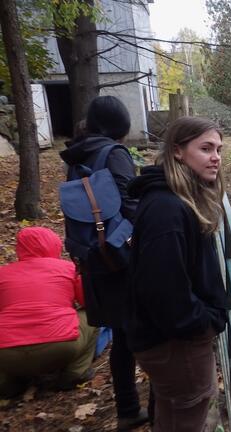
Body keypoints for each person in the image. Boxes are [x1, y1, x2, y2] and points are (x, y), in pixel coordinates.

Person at [126, 116, 231, 431]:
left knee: (175, 409)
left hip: (169, 339)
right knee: (191, 414)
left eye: (218, 149)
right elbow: (163, 289)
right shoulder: (168, 210)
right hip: (177, 343)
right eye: (205, 148)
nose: (216, 157)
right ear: (177, 151)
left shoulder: (174, 201)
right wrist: (204, 323)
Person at [59, 95, 150, 430]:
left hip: (93, 257)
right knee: (144, 330)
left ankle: (128, 409)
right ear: (121, 125)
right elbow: (129, 203)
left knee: (122, 337)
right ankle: (158, 407)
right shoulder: (113, 153)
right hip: (121, 255)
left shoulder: (76, 155)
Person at [0, 227, 98, 398]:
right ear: (54, 245)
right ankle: (75, 373)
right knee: (93, 316)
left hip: (6, 352)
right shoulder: (68, 268)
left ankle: (7, 384)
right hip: (60, 346)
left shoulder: (3, 273)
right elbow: (88, 302)